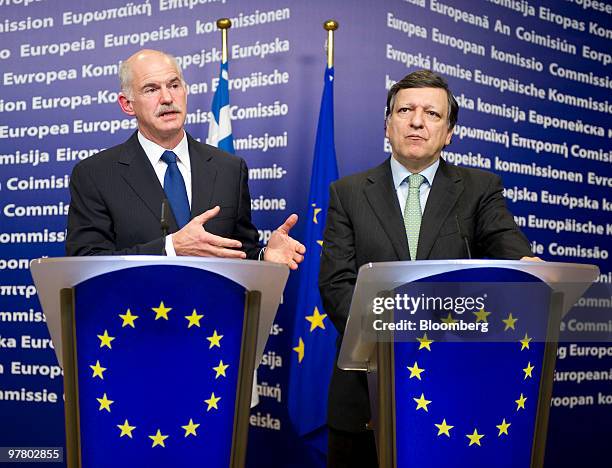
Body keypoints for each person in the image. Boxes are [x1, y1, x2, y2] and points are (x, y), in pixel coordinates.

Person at [319, 70, 536, 467]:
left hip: (456, 390)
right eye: (406, 110)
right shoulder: (347, 193)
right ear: (388, 124)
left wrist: (529, 267)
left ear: (449, 131)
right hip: (365, 394)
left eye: (433, 114)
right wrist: (403, 331)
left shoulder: (479, 189)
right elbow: (336, 286)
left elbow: (507, 243)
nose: (417, 121)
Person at [66, 49, 304, 269]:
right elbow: (86, 262)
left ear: (185, 91)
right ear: (127, 104)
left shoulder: (229, 169)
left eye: (174, 85)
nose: (167, 98)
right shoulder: (95, 174)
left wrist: (264, 257)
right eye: (151, 89)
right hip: (137, 312)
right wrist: (170, 248)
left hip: (211, 312)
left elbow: (239, 252)